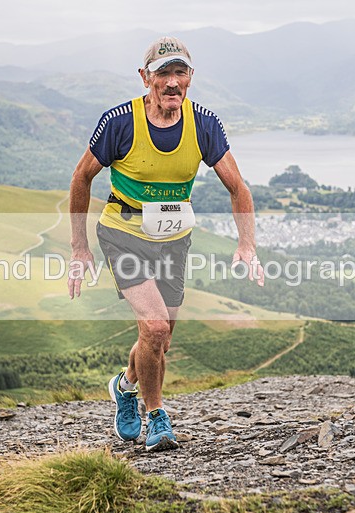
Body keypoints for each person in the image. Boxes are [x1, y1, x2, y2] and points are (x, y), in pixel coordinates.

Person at [68, 36, 264, 452]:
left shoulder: (204, 124)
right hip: (123, 233)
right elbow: (81, 177)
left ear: (190, 77)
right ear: (146, 78)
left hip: (173, 240)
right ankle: (156, 416)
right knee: (155, 327)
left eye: (180, 72)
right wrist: (79, 248)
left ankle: (124, 386)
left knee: (160, 338)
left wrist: (247, 244)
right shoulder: (120, 122)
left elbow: (238, 187)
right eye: (163, 73)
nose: (172, 82)